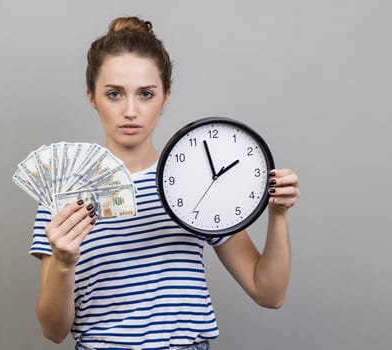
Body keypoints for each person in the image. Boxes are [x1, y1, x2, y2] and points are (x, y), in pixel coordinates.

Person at [29, 16, 300, 350]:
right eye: (114, 94)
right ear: (91, 96)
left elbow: (269, 293)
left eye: (146, 94)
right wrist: (63, 262)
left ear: (166, 96)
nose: (131, 110)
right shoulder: (63, 194)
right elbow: (53, 330)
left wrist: (279, 214)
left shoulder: (197, 182)